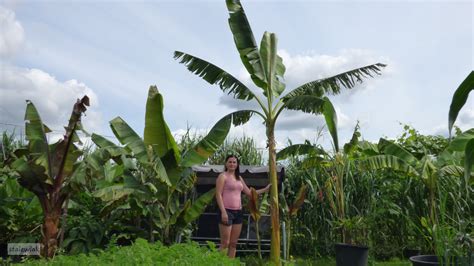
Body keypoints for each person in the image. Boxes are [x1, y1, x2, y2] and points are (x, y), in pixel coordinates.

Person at [215, 155, 271, 258]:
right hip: (226, 211)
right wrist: (223, 212)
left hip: (238, 213)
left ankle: (230, 264)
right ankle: (213, 261)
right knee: (225, 244)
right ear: (226, 164)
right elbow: (218, 194)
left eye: (234, 162)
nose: (232, 164)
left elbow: (249, 193)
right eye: (230, 162)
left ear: (237, 165)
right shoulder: (222, 176)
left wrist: (265, 189)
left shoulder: (239, 178)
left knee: (233, 244)